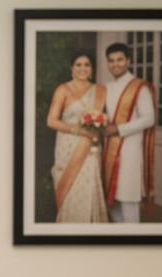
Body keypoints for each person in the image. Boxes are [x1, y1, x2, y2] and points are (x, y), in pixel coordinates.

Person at [45, 52, 109, 222]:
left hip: (90, 148)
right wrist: (79, 131)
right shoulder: (63, 89)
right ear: (71, 68)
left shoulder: (99, 90)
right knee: (70, 191)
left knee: (90, 187)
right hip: (68, 148)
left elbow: (105, 122)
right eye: (78, 64)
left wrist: (97, 128)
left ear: (92, 69)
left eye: (87, 64)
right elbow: (51, 121)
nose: (83, 68)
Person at [101, 42, 158, 223]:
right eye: (111, 61)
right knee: (113, 204)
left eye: (119, 60)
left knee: (128, 201)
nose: (115, 64)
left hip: (130, 152)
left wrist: (118, 128)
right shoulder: (106, 87)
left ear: (128, 61)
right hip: (109, 149)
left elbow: (149, 118)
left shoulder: (139, 87)